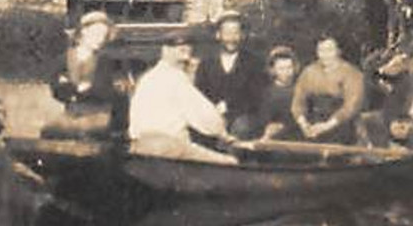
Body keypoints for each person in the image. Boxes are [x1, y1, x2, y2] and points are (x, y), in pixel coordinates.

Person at [129, 28, 237, 164]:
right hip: (168, 147)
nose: (187, 61)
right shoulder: (176, 78)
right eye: (183, 55)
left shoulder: (147, 78)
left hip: (140, 147)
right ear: (165, 51)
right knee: (231, 162)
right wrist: (224, 134)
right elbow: (206, 118)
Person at [45, 10, 124, 137]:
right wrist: (75, 90)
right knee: (50, 132)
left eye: (104, 35)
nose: (100, 39)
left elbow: (108, 91)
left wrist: (82, 89)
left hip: (99, 115)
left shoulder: (106, 62)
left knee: (89, 133)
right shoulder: (65, 58)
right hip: (72, 113)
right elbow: (56, 88)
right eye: (96, 33)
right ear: (84, 31)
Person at [193, 10, 268, 140]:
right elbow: (200, 93)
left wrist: (229, 107)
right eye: (227, 33)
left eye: (236, 33)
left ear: (242, 35)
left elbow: (257, 97)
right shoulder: (206, 63)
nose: (231, 39)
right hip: (212, 114)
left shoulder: (254, 63)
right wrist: (213, 111)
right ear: (218, 35)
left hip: (243, 117)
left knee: (241, 128)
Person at [291, 35, 365, 144]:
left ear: (338, 51)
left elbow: (351, 107)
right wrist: (303, 124)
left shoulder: (351, 73)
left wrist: (326, 126)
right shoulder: (308, 71)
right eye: (321, 50)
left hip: (341, 125)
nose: (325, 55)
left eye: (329, 50)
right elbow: (298, 102)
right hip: (311, 124)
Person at [258, 45, 301, 140]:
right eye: (281, 68)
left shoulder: (300, 89)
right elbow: (263, 118)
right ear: (273, 70)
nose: (286, 72)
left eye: (289, 68)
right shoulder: (267, 92)